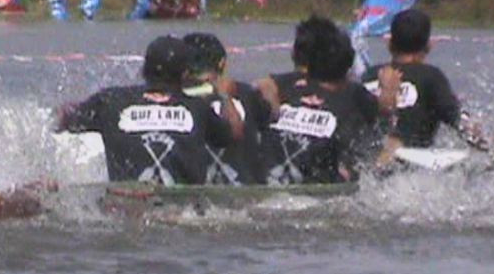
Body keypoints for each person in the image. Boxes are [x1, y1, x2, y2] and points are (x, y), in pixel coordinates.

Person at [56, 36, 244, 185]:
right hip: (184, 211)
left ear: (144, 69)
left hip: (126, 207)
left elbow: (63, 119)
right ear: (185, 75)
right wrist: (225, 96)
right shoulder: (197, 108)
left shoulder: (110, 100)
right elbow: (235, 132)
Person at [362, 9, 494, 170]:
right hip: (411, 172)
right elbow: (460, 123)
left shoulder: (369, 75)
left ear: (389, 44)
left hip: (370, 165)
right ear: (428, 46)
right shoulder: (431, 77)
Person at [261, 16, 391, 184]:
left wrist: (274, 107)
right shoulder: (353, 92)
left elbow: (260, 85)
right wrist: (389, 88)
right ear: (347, 69)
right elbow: (385, 116)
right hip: (323, 185)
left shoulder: (285, 83)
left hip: (272, 181)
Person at [182, 32, 273, 185]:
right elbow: (270, 118)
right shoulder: (247, 93)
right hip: (249, 192)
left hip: (196, 195)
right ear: (222, 63)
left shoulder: (177, 98)